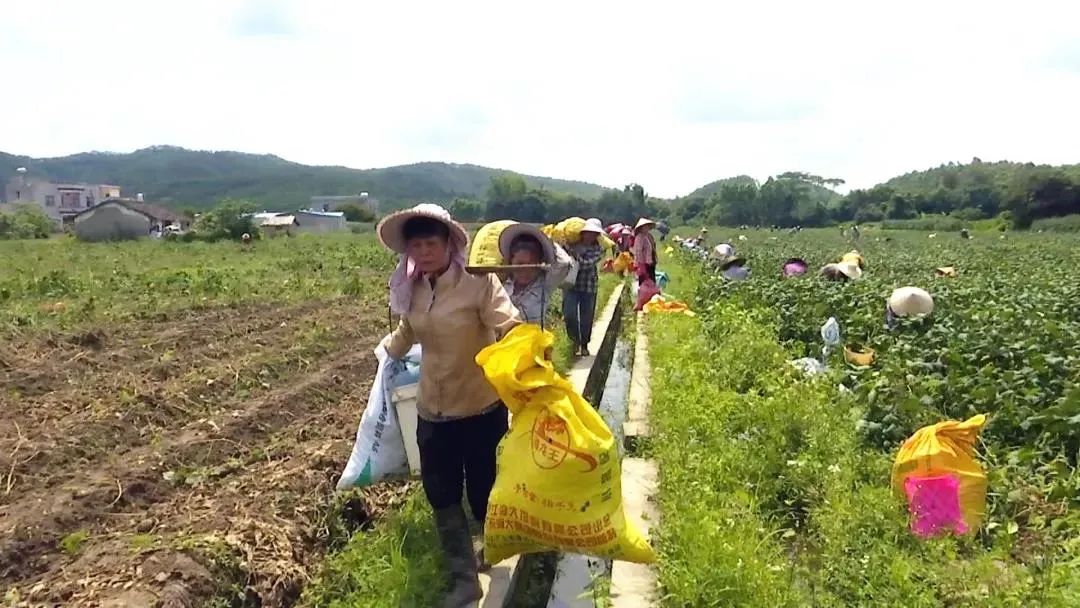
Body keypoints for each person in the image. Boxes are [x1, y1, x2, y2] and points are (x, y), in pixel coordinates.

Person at [377, 203, 522, 607]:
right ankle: (464, 580)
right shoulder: (416, 289)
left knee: (481, 491)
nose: (423, 252)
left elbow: (505, 320)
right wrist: (386, 353)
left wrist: (523, 346)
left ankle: (492, 548)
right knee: (440, 492)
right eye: (416, 246)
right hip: (432, 410)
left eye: (430, 243)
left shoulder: (479, 283)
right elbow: (409, 329)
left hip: (479, 407)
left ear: (448, 244)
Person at [499, 222, 571, 325]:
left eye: (531, 264)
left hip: (534, 339)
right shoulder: (502, 285)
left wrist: (547, 241)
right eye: (520, 263)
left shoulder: (544, 284)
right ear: (511, 262)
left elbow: (565, 263)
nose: (525, 270)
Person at [563, 218, 605, 357]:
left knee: (587, 317)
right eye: (588, 232)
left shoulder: (597, 249)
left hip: (588, 286)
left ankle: (584, 344)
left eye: (594, 233)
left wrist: (575, 256)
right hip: (571, 285)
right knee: (569, 315)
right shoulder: (573, 244)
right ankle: (574, 341)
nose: (590, 235)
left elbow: (587, 264)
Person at [632, 218, 658, 285]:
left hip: (649, 262)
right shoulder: (639, 237)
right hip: (643, 263)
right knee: (644, 281)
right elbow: (638, 252)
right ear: (641, 228)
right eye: (645, 227)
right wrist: (641, 264)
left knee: (651, 280)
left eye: (647, 226)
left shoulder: (647, 236)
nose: (647, 228)